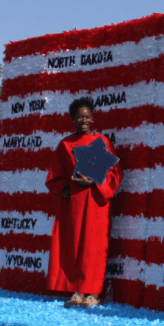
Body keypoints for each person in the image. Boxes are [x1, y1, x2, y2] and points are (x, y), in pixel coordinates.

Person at [46, 97, 123, 308]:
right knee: (75, 247)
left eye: (87, 116)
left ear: (92, 117)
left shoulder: (104, 142)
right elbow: (55, 176)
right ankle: (77, 291)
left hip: (97, 202)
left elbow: (115, 174)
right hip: (75, 203)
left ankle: (93, 293)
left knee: (95, 248)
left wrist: (95, 180)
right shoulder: (65, 144)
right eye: (79, 116)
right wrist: (65, 189)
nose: (84, 120)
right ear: (73, 119)